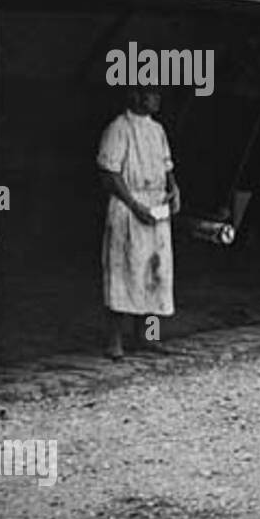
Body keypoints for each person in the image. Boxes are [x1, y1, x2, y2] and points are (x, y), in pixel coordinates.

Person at [97, 85, 180, 359]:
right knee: (124, 271)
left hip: (156, 206)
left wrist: (174, 190)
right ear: (135, 96)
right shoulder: (118, 128)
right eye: (152, 94)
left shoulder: (157, 130)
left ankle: (146, 336)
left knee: (154, 271)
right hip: (128, 206)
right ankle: (115, 342)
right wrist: (134, 204)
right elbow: (109, 174)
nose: (157, 99)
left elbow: (167, 167)